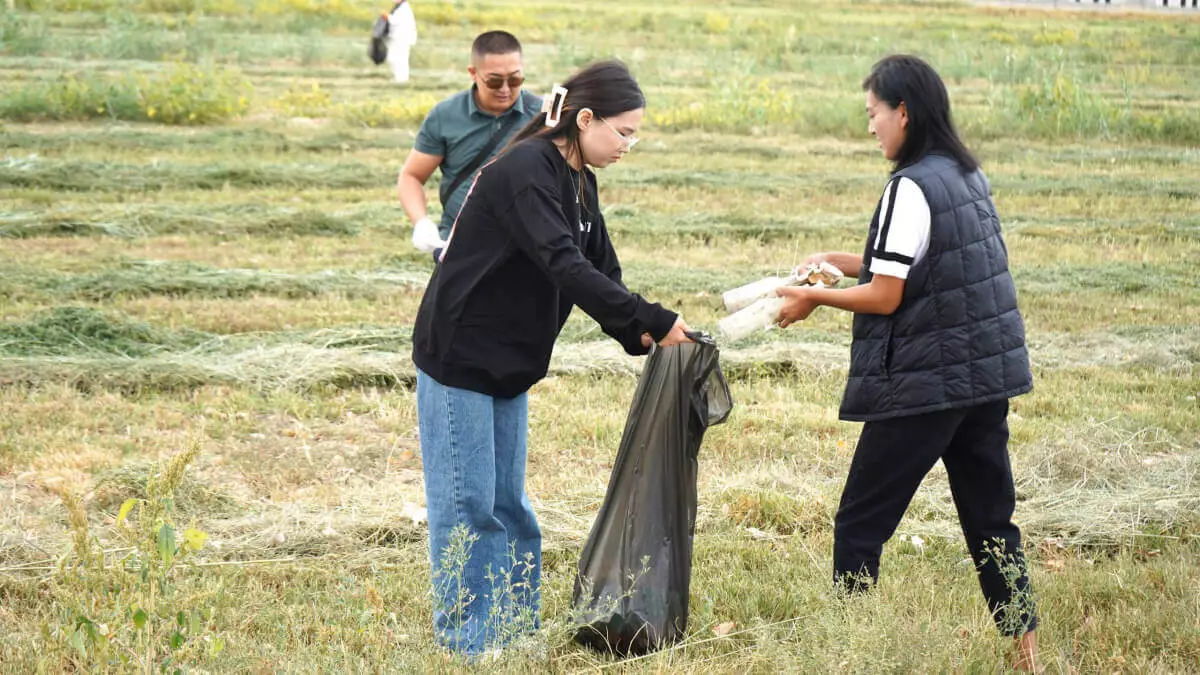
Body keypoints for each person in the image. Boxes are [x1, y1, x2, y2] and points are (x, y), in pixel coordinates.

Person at [411, 60, 692, 656]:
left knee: (509, 506)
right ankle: (471, 643)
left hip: (510, 362)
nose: (629, 145)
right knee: (469, 507)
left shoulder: (578, 178)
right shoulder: (526, 170)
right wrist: (650, 318)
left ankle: (513, 629)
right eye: (625, 132)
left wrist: (639, 332)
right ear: (586, 119)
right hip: (461, 354)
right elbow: (561, 262)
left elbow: (598, 266)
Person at [776, 54, 1040, 671]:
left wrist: (814, 295)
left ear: (904, 112)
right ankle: (1026, 654)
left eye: (873, 114)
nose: (871, 128)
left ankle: (850, 650)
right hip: (982, 379)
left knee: (860, 523)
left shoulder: (909, 184)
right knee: (992, 522)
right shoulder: (964, 174)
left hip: (926, 385)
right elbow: (917, 262)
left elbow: (888, 294)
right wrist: (839, 261)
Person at [397, 31, 542, 256]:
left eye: (515, 80)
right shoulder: (445, 116)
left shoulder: (542, 115)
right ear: (473, 73)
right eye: (494, 81)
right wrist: (421, 223)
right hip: (460, 243)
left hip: (525, 244)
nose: (505, 89)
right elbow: (412, 176)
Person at [385, 0, 417, 84]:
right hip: (396, 38)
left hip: (401, 38)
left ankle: (401, 79)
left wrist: (387, 18)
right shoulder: (398, 8)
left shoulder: (404, 9)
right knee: (393, 58)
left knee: (400, 59)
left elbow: (396, 21)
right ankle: (397, 77)